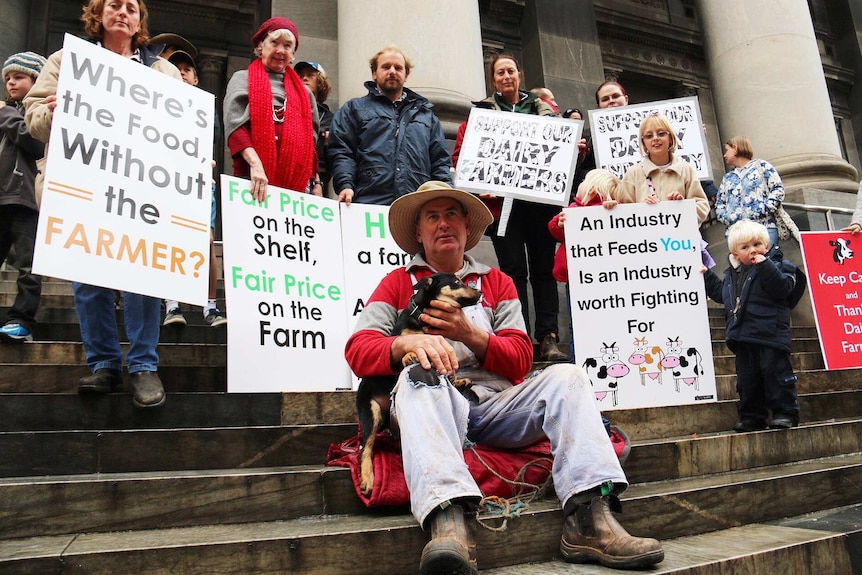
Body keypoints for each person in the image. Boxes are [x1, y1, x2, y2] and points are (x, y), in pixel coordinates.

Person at [345, 180, 664, 574]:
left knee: (568, 377)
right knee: (418, 378)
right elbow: (358, 349)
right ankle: (449, 525)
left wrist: (470, 334)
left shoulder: (498, 282)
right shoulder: (396, 283)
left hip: (497, 406)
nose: (443, 224)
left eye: (451, 215)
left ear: (466, 229)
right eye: (432, 217)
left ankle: (590, 519)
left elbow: (520, 359)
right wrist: (400, 348)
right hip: (431, 405)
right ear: (419, 233)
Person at [24, 0, 180, 407]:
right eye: (114, 5)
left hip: (143, 189)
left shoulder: (162, 71)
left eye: (131, 7)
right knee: (88, 276)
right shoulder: (67, 61)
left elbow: (182, 130)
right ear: (98, 12)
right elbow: (33, 117)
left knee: (144, 274)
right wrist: (53, 112)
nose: (123, 12)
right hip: (84, 184)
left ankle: (144, 365)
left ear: (140, 19)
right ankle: (104, 364)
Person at [467, 53, 567, 362]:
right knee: (512, 272)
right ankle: (519, 335)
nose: (506, 76)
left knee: (543, 272)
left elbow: (559, 150)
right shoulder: (481, 112)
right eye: (500, 72)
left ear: (519, 75)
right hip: (504, 207)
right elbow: (467, 154)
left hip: (539, 205)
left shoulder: (546, 112)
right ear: (493, 79)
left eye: (511, 70)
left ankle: (548, 338)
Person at [703, 220, 804, 431]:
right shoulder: (732, 275)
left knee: (776, 376)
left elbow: (781, 288)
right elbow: (721, 295)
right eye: (745, 247)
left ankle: (785, 412)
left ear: (766, 246)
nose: (753, 250)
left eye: (757, 244)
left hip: (770, 334)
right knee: (748, 381)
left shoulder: (778, 266)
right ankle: (752, 416)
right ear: (735, 253)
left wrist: (765, 264)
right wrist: (706, 275)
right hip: (743, 336)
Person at [327, 46, 451, 206]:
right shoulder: (353, 109)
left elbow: (440, 162)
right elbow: (342, 151)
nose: (392, 71)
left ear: (406, 75)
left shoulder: (427, 117)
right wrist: (345, 185)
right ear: (374, 73)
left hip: (416, 207)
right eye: (386, 67)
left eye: (398, 68)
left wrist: (447, 196)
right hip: (368, 205)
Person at [159, 47, 226, 327]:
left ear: (197, 79)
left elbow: (213, 136)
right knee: (169, 237)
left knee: (206, 241)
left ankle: (210, 306)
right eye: (177, 69)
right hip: (162, 178)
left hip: (197, 179)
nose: (182, 74)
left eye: (187, 70)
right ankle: (172, 303)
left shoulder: (205, 107)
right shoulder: (156, 101)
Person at [223, 17, 321, 203]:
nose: (280, 50)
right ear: (261, 47)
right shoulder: (242, 79)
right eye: (274, 42)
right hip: (252, 179)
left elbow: (311, 143)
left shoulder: (305, 93)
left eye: (287, 46)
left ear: (293, 53)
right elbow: (235, 128)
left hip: (298, 188)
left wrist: (316, 182)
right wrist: (256, 164)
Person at [549, 169, 624, 362]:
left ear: (591, 189)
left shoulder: (614, 209)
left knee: (581, 325)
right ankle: (579, 362)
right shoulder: (573, 210)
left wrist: (613, 210)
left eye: (584, 181)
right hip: (578, 279)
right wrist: (559, 223)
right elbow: (555, 231)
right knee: (578, 324)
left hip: (597, 279)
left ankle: (579, 362)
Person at [0, 51, 46, 343]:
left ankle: (22, 320)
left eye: (18, 77)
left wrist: (5, 113)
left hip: (27, 198)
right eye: (7, 78)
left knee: (29, 265)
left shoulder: (36, 111)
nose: (11, 83)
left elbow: (34, 141)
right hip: (3, 196)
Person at [620, 113, 710, 224]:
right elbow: (622, 212)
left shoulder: (686, 170)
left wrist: (682, 207)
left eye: (661, 134)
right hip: (646, 239)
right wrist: (643, 210)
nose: (655, 138)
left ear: (671, 138)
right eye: (649, 136)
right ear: (643, 143)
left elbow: (702, 206)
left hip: (679, 239)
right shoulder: (633, 173)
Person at [715, 136, 786, 248]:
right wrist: (728, 217)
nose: (724, 155)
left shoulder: (762, 166)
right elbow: (719, 204)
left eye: (727, 150)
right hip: (736, 232)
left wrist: (764, 209)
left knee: (768, 262)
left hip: (763, 226)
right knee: (741, 265)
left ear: (735, 148)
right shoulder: (727, 178)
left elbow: (777, 189)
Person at [294, 60, 333, 191]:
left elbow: (337, 160)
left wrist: (329, 145)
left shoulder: (331, 119)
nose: (304, 78)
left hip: (318, 184)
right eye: (300, 76)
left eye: (310, 75)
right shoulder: (287, 108)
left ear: (320, 82)